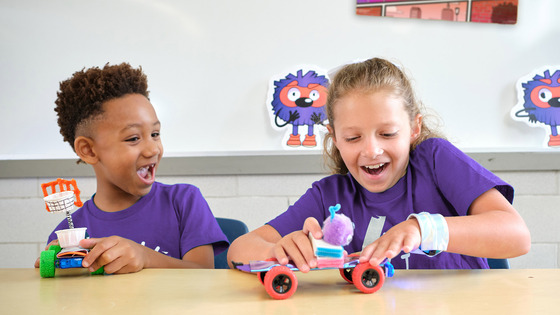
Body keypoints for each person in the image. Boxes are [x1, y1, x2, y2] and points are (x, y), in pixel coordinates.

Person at [228, 57, 531, 270]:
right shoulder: (330, 195)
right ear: (334, 138)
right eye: (352, 138)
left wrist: (424, 229)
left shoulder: (435, 160)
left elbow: (516, 236)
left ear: (414, 128)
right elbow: (238, 250)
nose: (372, 150)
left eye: (387, 133)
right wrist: (276, 251)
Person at [35, 63, 228, 273]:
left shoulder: (184, 201)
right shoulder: (69, 233)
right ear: (88, 150)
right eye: (134, 138)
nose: (152, 149)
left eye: (155, 134)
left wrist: (144, 256)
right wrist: (54, 272)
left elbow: (204, 275)